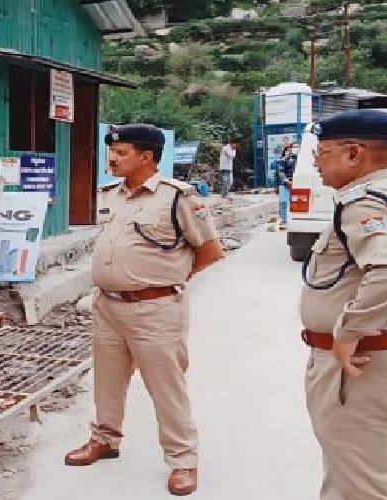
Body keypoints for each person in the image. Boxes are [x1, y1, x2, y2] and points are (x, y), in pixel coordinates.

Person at [64, 124, 224, 496]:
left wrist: (167, 280)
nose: (112, 159)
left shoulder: (177, 197)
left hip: (155, 310)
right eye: (112, 152)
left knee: (166, 387)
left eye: (121, 152)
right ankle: (105, 439)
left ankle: (183, 460)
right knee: (107, 381)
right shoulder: (111, 195)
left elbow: (211, 250)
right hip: (108, 307)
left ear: (147, 156)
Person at [299, 109, 387, 500]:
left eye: (321, 153)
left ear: (353, 154)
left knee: (361, 482)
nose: (315, 164)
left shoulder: (364, 202)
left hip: (363, 365)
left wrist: (348, 331)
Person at [277, 137, 297, 230]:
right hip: (284, 183)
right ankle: (284, 220)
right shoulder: (283, 159)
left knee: (296, 202)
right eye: (287, 148)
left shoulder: (298, 158)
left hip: (296, 182)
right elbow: (280, 172)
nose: (289, 149)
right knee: (283, 202)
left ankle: (295, 219)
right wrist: (286, 181)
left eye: (290, 147)